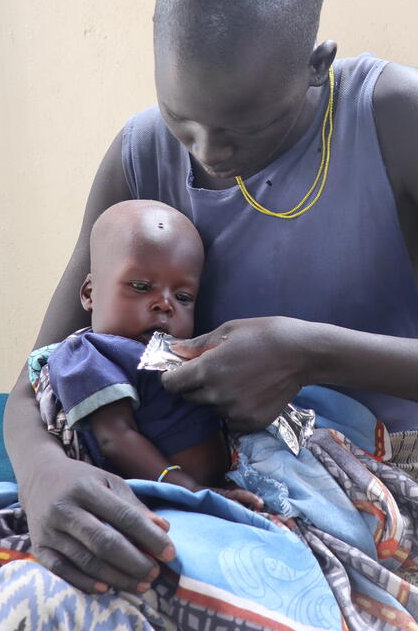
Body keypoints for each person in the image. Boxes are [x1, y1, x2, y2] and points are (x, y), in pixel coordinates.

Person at [2, 0, 418, 598]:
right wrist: (45, 474)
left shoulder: (400, 118)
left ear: (317, 66)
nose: (209, 154)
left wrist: (311, 353)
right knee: (41, 589)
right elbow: (40, 374)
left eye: (244, 129)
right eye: (182, 121)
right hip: (165, 466)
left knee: (216, 596)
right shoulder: (137, 156)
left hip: (341, 482)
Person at [36, 199, 261, 509]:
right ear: (90, 293)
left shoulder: (179, 349)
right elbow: (115, 436)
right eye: (141, 286)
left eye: (183, 297)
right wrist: (187, 488)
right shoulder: (89, 353)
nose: (164, 304)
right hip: (162, 497)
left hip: (235, 474)